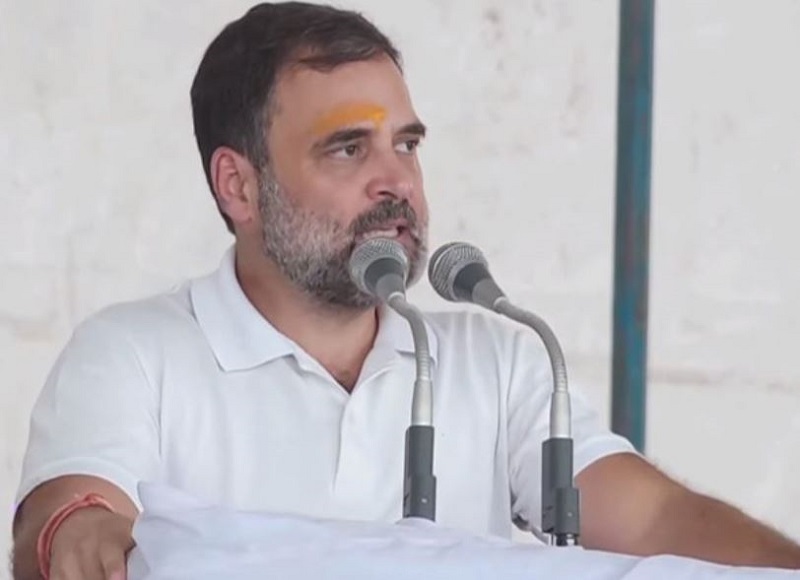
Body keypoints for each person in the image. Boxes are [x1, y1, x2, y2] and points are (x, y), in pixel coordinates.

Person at [11, 2, 800, 579]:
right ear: (239, 187)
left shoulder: (494, 357)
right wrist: (79, 534)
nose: (396, 182)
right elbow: (70, 519)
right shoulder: (133, 353)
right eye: (349, 149)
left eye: (407, 144)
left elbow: (656, 519)